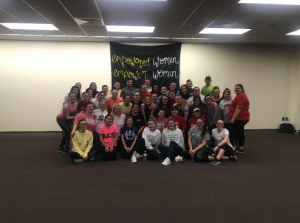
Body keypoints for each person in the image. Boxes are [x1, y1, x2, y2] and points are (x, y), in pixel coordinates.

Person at [230, 84, 250, 153]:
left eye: (238, 88)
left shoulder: (241, 95)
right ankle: (240, 148)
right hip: (240, 118)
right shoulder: (239, 95)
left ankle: (235, 147)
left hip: (240, 118)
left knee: (233, 132)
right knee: (240, 132)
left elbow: (239, 107)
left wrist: (233, 118)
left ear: (242, 89)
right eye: (235, 88)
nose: (236, 89)